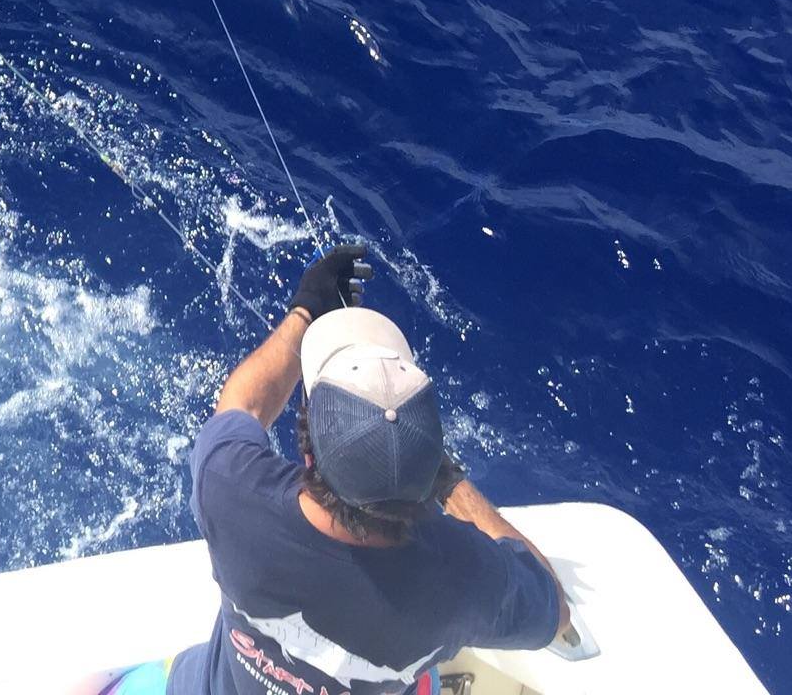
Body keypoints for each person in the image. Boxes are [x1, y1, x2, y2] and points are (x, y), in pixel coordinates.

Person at [158, 244, 568, 695]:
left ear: (309, 453)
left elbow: (242, 405)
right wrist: (450, 483)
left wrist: (305, 313)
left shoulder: (231, 492)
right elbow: (554, 610)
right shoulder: (464, 579)